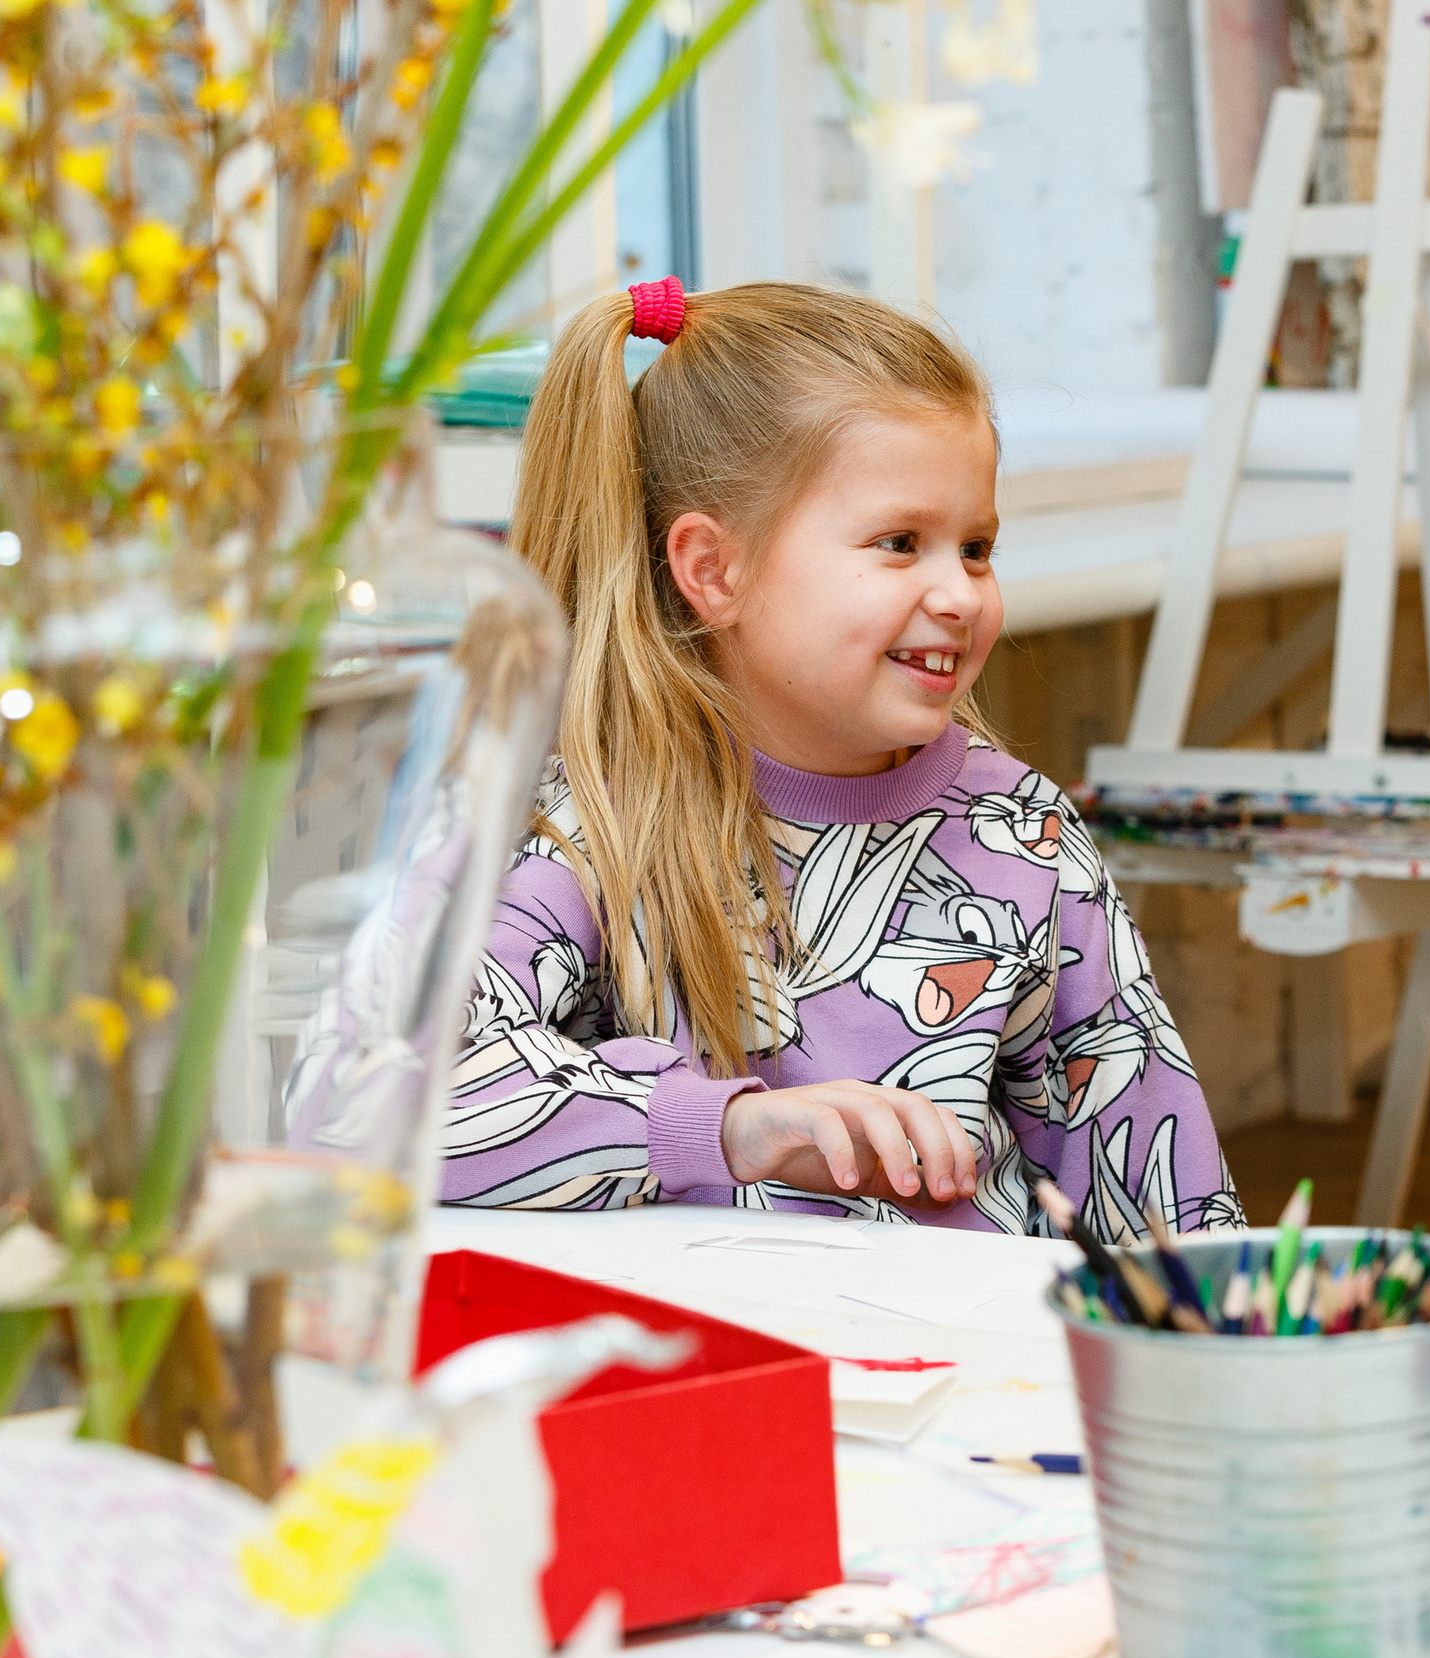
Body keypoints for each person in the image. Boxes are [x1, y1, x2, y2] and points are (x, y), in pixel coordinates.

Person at [443, 276, 1241, 1237]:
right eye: (901, 543)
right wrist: (726, 1127)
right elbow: (386, 1106)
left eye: (978, 547)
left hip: (972, 1370)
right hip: (702, 1373)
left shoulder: (1022, 835)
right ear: (714, 571)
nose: (961, 593)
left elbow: (1163, 1207)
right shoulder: (581, 828)